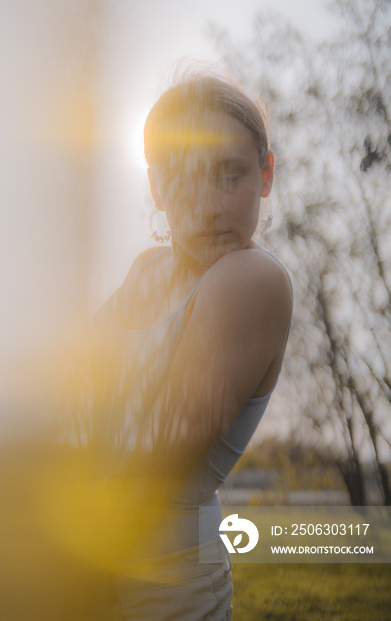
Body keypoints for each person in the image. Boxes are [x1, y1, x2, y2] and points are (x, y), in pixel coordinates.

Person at [73, 71, 293, 620]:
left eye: (230, 174)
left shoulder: (252, 279)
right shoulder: (147, 269)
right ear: (156, 186)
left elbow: (156, 458)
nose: (210, 205)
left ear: (265, 174)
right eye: (185, 178)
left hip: (162, 582)